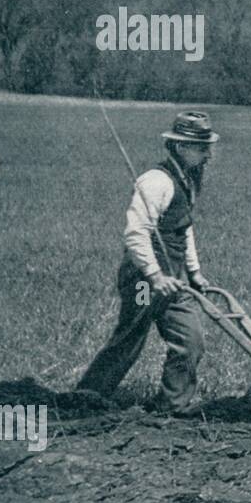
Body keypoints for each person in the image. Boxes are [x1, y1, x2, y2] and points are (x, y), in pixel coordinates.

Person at [78, 111, 217, 412]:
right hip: (143, 279)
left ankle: (170, 407)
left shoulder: (188, 180)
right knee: (129, 340)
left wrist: (194, 272)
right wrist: (155, 277)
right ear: (181, 147)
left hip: (176, 276)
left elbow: (184, 227)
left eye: (208, 147)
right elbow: (136, 233)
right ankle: (83, 400)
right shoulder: (155, 182)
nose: (208, 155)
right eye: (202, 147)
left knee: (191, 340)